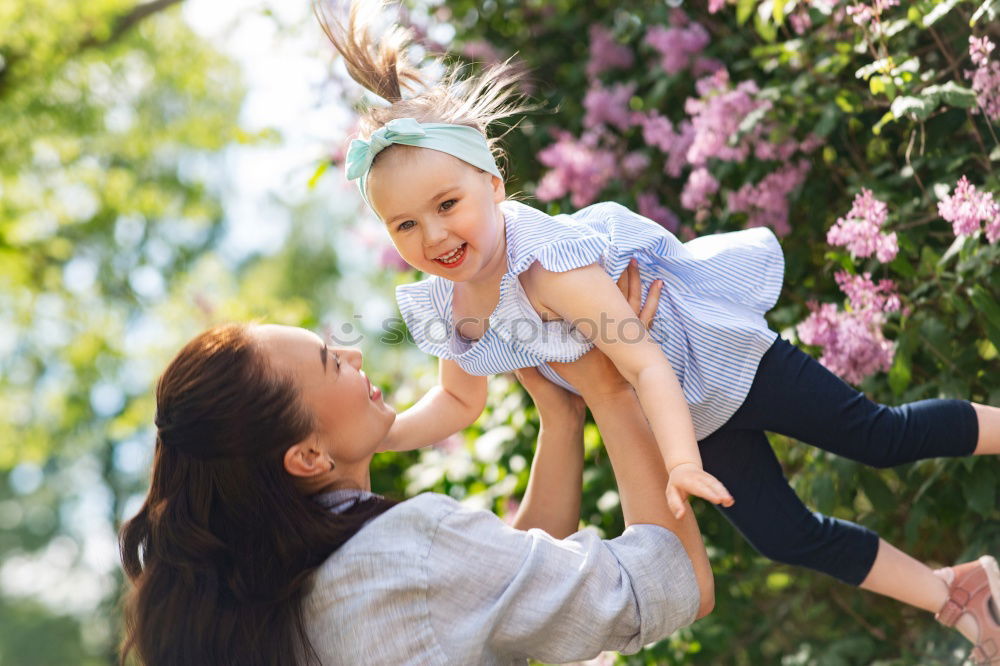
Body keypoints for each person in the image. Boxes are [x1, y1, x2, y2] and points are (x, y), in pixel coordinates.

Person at [316, 2, 1000, 661]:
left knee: (877, 436)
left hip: (721, 363)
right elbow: (459, 404)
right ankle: (959, 594)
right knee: (784, 535)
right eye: (405, 225)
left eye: (447, 205)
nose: (433, 234)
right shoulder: (450, 304)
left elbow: (643, 365)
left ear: (493, 184)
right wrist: (378, 431)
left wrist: (678, 465)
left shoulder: (547, 266)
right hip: (688, 418)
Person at [118, 263, 715, 666]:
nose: (353, 352)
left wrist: (561, 420)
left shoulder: (277, 594)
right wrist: (614, 390)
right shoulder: (404, 548)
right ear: (306, 456)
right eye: (330, 362)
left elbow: (496, 587)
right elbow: (669, 583)